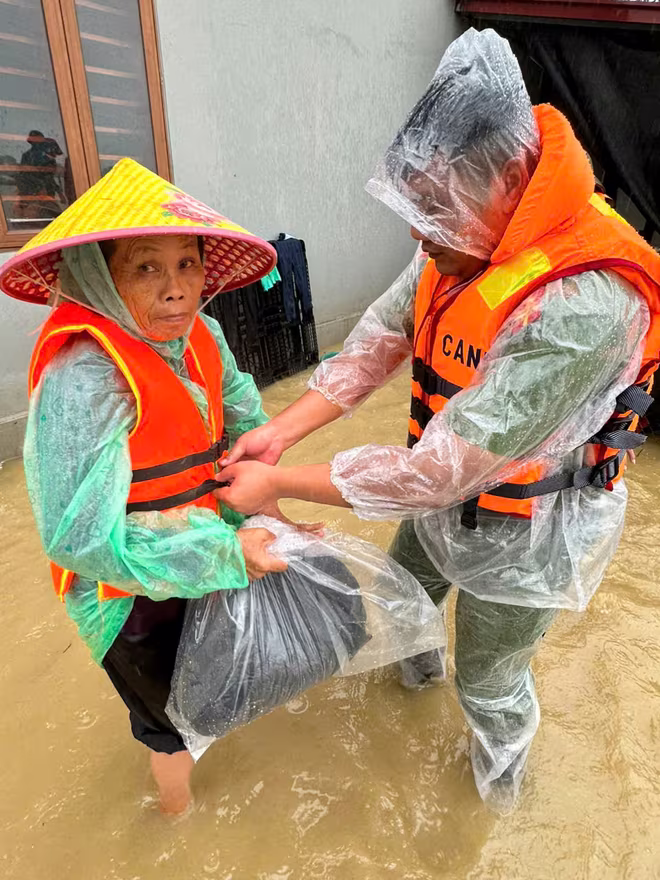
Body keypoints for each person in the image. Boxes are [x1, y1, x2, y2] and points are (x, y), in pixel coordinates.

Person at [214, 29, 660, 813]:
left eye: (436, 217)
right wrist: (283, 432)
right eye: (418, 217)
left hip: (532, 524)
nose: (422, 240)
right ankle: (408, 702)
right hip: (437, 504)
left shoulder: (585, 304)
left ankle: (496, 799)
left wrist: (276, 483)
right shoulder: (460, 239)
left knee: (489, 675)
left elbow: (439, 470)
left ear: (509, 181)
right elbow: (378, 342)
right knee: (406, 605)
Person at [0, 158, 299, 815]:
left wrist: (271, 503)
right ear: (98, 278)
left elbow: (244, 417)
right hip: (126, 590)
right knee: (167, 723)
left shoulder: (203, 335)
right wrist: (224, 554)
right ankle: (178, 817)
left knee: (220, 677)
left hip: (213, 544)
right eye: (145, 266)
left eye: (187, 264)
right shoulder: (83, 378)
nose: (176, 290)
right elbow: (78, 540)